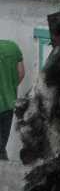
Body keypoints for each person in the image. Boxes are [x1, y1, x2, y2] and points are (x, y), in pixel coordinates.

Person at [0, 32, 22, 160]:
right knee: (2, 144)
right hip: (9, 103)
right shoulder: (13, 47)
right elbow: (21, 73)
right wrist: (9, 87)